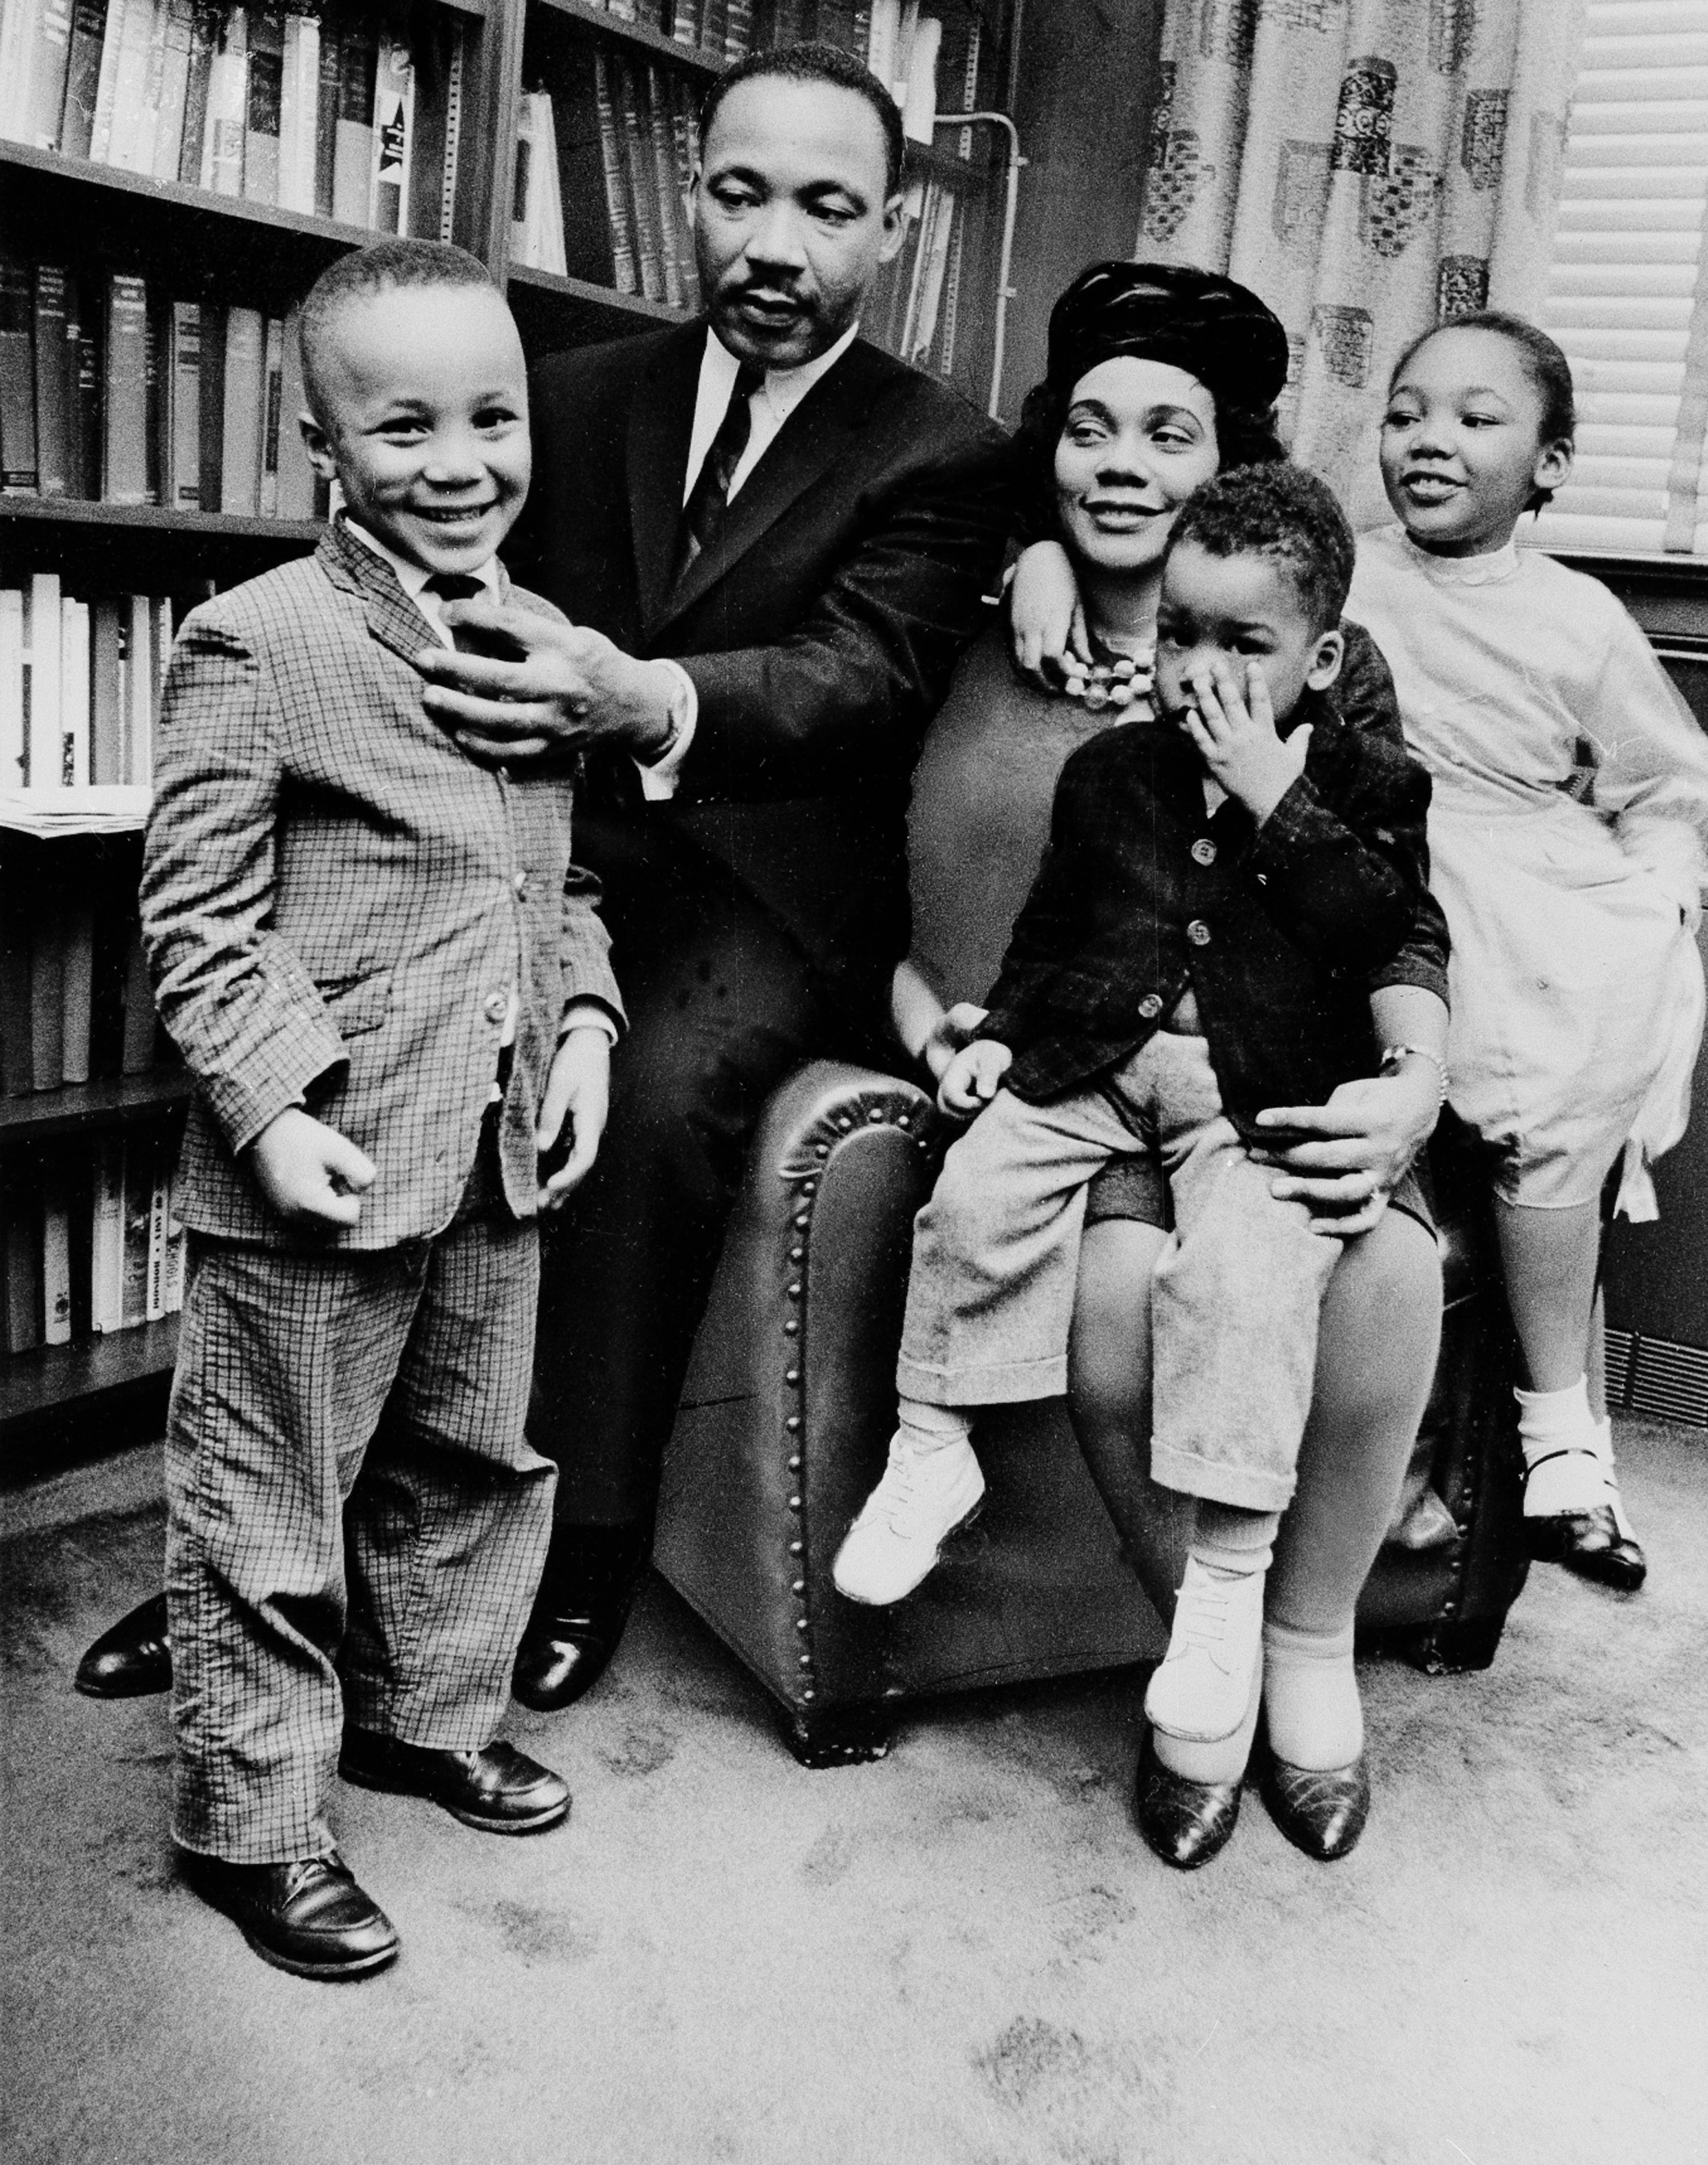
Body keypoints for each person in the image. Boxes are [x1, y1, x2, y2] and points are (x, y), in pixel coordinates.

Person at [71, 38, 1015, 1714]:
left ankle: (576, 1552)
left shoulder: (937, 448)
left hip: (754, 882)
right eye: (737, 195)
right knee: (327, 1067)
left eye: (824, 207)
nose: (773, 247)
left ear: (889, 236)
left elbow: (856, 682)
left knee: (641, 1105)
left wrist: (640, 699)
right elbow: (404, 560)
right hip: (502, 837)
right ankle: (260, 1560)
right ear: (690, 199)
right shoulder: (562, 389)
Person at [912, 261, 1447, 1866]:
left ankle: (1299, 1645)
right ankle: (1196, 1657)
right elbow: (937, 919)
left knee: (1379, 1278)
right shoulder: (985, 617)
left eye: (1168, 433)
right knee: (1103, 1309)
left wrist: (1410, 1079)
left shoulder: (1324, 683)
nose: (1119, 466)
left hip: (1269, 1081)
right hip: (1079, 1077)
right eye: (1086, 428)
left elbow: (1400, 922)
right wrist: (955, 1035)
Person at [137, 240, 621, 1981]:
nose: (460, 460)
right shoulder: (253, 643)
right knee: (266, 1500)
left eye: (491, 417)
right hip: (320, 1171)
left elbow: (552, 885)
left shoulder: (544, 645)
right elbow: (193, 923)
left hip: (494, 1148)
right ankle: (251, 1821)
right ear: (320, 442)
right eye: (402, 426)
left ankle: (428, 1713)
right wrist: (270, 1113)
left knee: (476, 1459)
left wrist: (581, 1026)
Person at [1347, 312, 1708, 1590]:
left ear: (1550, 465)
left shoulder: (1575, 616)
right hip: (1374, 869)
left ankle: (1565, 1444)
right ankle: (1439, 1463)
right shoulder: (1333, 574)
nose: (1429, 439)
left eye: (1475, 417)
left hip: (1526, 890)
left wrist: (1658, 888)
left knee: (1551, 1111)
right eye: (1407, 411)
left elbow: (1674, 782)